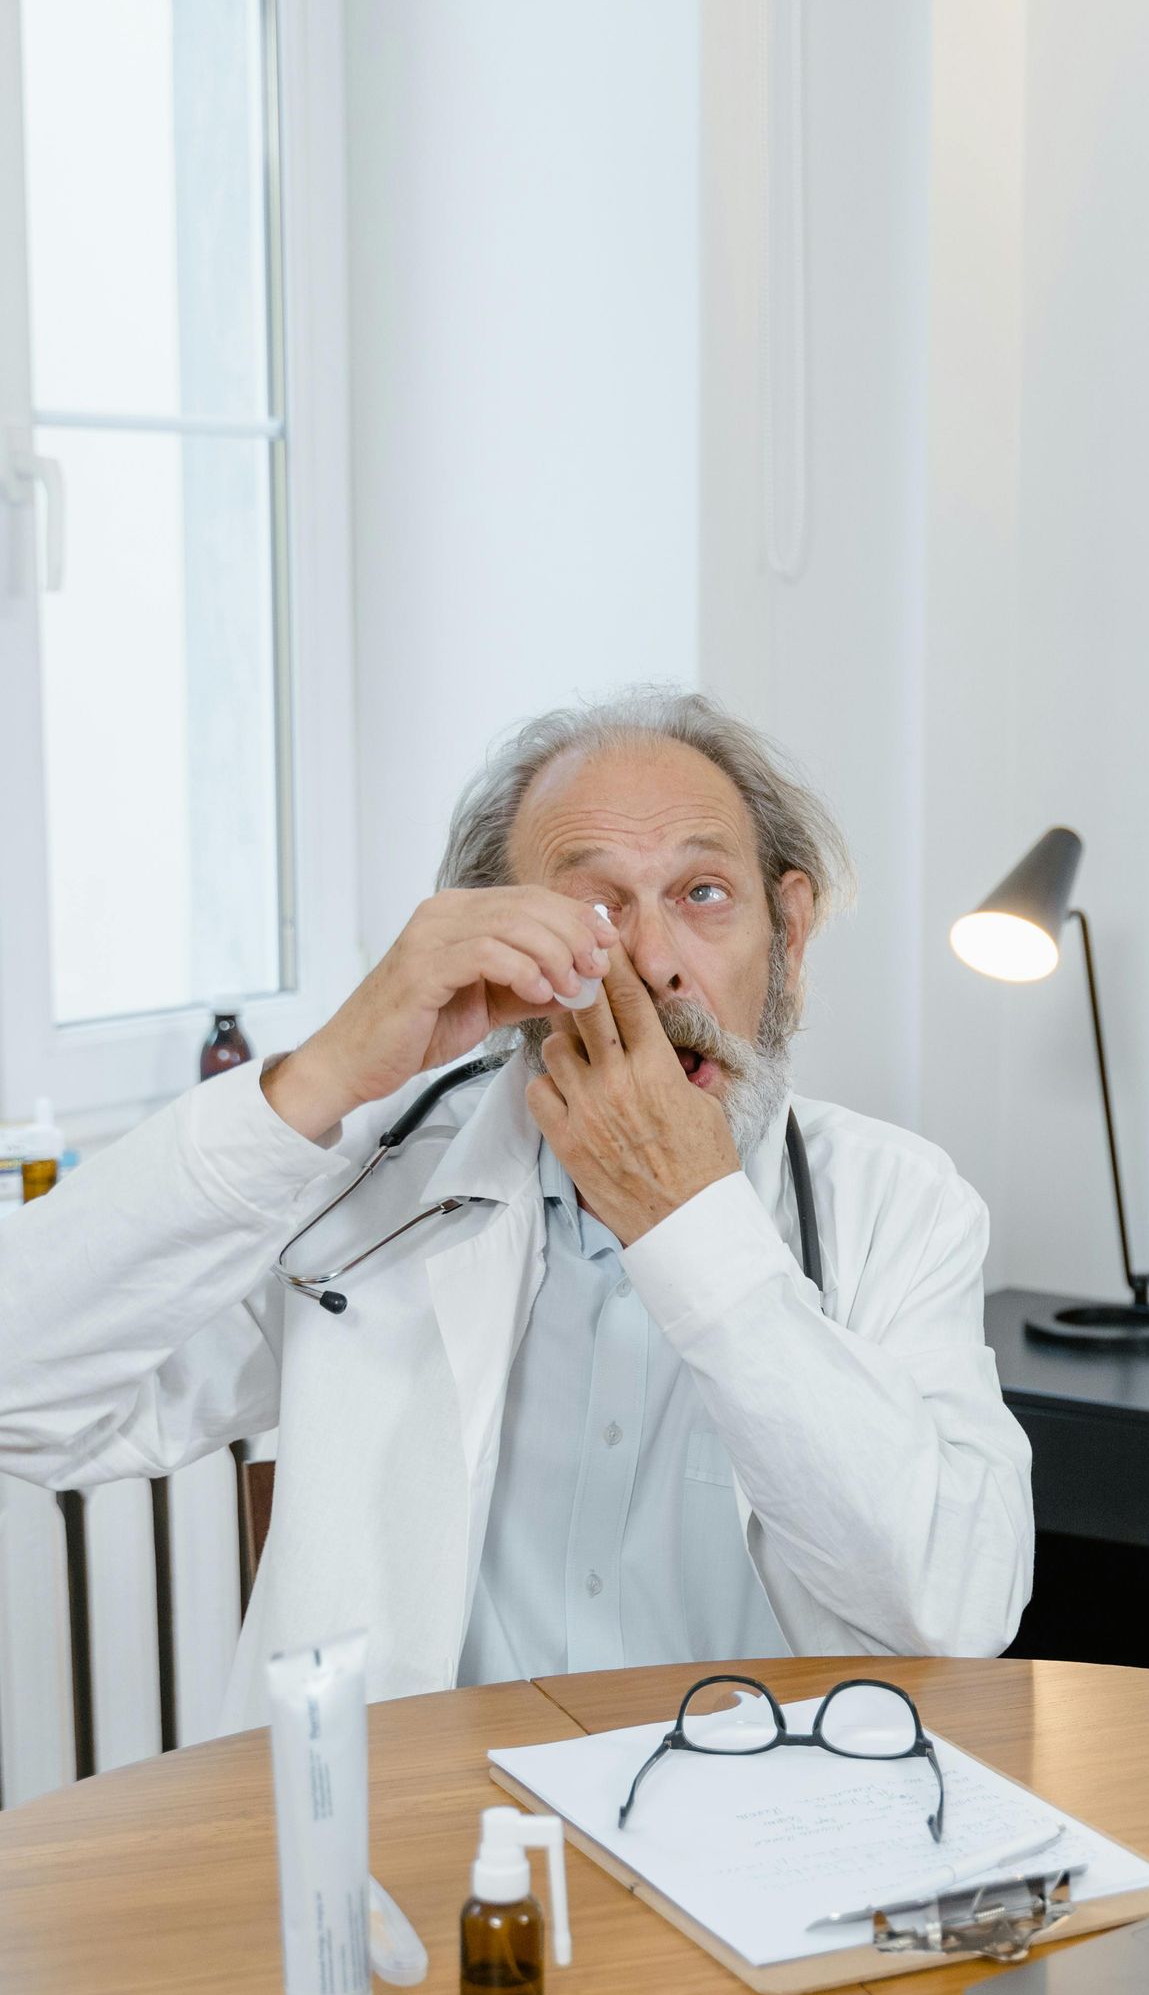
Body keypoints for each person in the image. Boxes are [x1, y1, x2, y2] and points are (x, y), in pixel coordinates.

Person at [0, 691, 1034, 1723]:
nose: (656, 961)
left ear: (791, 937)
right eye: (593, 912)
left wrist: (693, 1225)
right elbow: (22, 1393)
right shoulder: (368, 1181)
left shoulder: (901, 1205)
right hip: (430, 1851)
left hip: (758, 1842)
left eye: (705, 892)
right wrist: (320, 1078)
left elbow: (956, 1606)